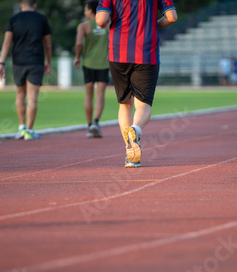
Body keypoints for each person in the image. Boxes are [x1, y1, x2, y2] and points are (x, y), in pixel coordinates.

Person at [96, 0, 177, 168]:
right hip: (147, 53)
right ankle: (136, 130)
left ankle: (130, 152)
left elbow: (101, 21)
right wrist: (153, 25)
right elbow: (172, 17)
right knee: (143, 104)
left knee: (124, 104)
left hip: (118, 52)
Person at [0, 0, 52, 140]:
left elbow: (7, 43)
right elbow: (48, 44)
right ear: (34, 5)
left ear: (21, 4)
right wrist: (49, 62)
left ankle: (21, 128)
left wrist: (2, 62)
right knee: (32, 96)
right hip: (36, 61)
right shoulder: (41, 19)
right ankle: (29, 130)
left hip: (18, 62)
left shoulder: (13, 19)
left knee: (20, 94)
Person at [74, 0, 109, 138]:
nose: (84, 12)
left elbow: (78, 44)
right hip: (103, 64)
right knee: (100, 95)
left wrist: (77, 57)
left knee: (89, 95)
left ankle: (89, 126)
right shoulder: (107, 23)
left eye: (85, 9)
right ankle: (96, 122)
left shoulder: (83, 26)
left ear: (90, 10)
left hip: (88, 63)